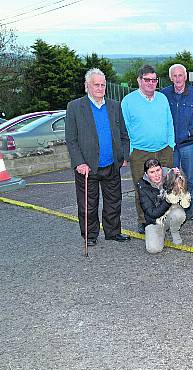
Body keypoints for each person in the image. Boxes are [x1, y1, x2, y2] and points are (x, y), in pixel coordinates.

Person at [65, 68, 131, 246]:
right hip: (87, 166)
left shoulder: (114, 106)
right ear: (87, 86)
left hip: (111, 164)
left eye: (103, 85)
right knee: (88, 204)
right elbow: (71, 139)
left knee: (114, 201)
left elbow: (124, 135)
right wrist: (79, 162)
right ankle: (90, 235)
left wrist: (124, 156)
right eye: (96, 85)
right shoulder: (75, 107)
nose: (100, 88)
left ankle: (113, 232)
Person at [121, 64, 174, 234]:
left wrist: (171, 145)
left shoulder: (162, 98)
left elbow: (169, 122)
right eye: (147, 80)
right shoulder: (128, 101)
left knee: (166, 185)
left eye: (154, 80)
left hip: (164, 150)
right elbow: (124, 128)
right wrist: (130, 151)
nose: (151, 83)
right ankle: (144, 221)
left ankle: (165, 219)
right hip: (140, 152)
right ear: (139, 80)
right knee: (142, 188)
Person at [161, 64, 193, 220]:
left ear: (185, 77)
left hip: (189, 145)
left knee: (189, 179)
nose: (178, 79)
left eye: (181, 75)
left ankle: (188, 210)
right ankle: (169, 210)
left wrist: (188, 132)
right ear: (171, 77)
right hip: (170, 146)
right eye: (175, 76)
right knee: (169, 179)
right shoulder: (164, 94)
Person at [138, 158, 187, 253]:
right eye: (152, 172)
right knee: (153, 249)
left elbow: (183, 196)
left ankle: (174, 230)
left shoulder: (170, 177)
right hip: (154, 221)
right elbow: (152, 213)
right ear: (146, 174)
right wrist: (168, 200)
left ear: (162, 169)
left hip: (170, 214)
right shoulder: (142, 186)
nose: (156, 174)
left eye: (158, 170)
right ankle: (161, 231)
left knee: (179, 214)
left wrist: (179, 176)